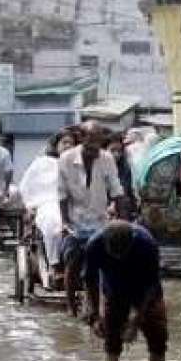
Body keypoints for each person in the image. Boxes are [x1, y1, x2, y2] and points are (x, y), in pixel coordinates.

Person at [83, 220, 168, 361]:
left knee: (157, 335)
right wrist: (94, 314)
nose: (119, 258)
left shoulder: (147, 244)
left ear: (131, 241)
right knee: (111, 338)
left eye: (122, 253)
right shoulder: (94, 245)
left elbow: (151, 285)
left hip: (144, 289)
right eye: (114, 253)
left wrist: (136, 321)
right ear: (105, 243)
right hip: (114, 290)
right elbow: (90, 281)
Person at [59, 121, 125, 312]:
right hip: (75, 220)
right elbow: (61, 194)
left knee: (99, 265)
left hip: (99, 220)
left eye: (98, 143)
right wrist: (64, 222)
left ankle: (96, 308)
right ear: (81, 139)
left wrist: (121, 219)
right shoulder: (66, 159)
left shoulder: (107, 159)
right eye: (90, 144)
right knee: (73, 261)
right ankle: (71, 306)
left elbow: (116, 190)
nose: (94, 148)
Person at [18, 128, 78, 280]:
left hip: (75, 203)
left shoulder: (80, 164)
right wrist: (29, 207)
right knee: (53, 223)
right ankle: (55, 265)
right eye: (65, 143)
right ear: (56, 145)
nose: (68, 146)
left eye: (72, 143)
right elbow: (26, 186)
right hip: (48, 203)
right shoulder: (42, 163)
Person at [107, 131, 137, 219]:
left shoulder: (125, 168)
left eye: (119, 151)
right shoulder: (98, 168)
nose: (116, 155)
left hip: (122, 211)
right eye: (112, 150)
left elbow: (128, 190)